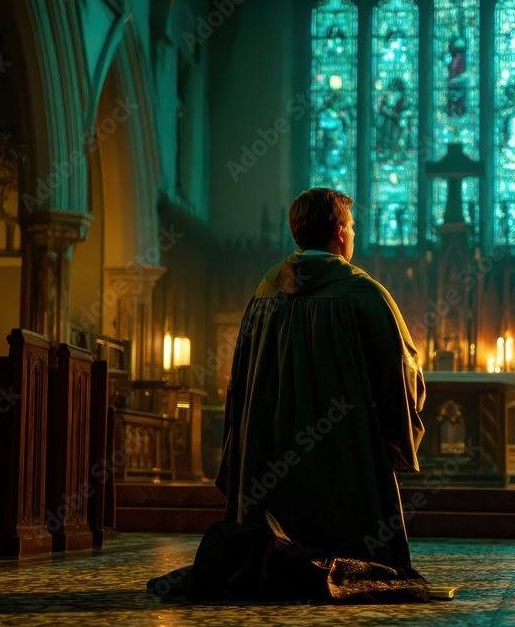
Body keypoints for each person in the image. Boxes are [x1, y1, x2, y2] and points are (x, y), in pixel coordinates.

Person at [148, 187, 428, 603]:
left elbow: (239, 381)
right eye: (351, 227)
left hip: (270, 446)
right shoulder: (362, 294)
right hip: (343, 445)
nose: (352, 235)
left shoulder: (265, 293)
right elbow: (400, 373)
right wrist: (396, 429)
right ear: (337, 231)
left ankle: (269, 564)